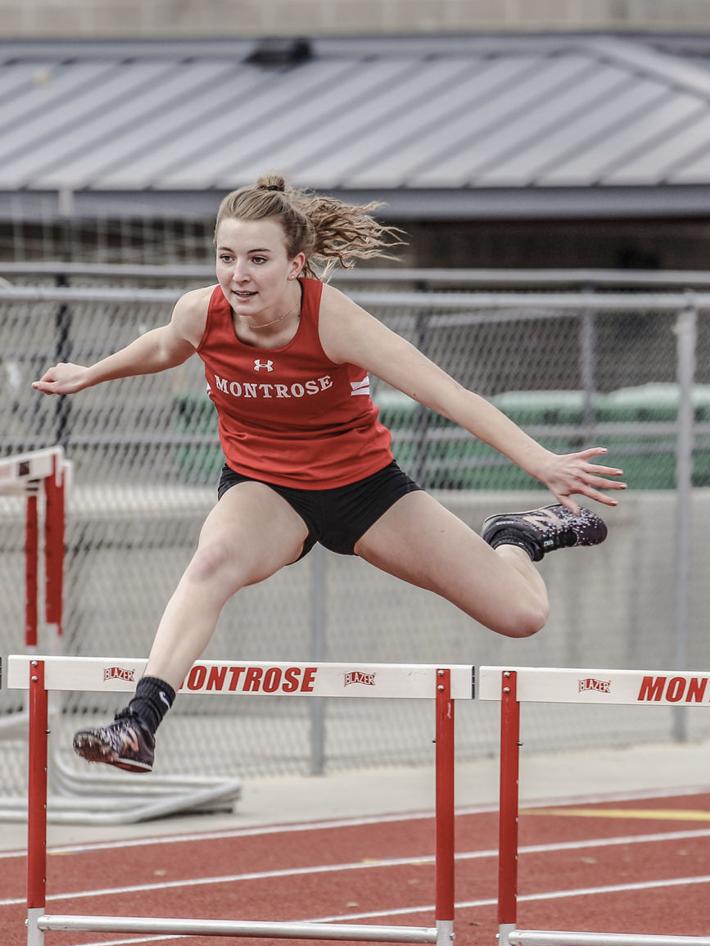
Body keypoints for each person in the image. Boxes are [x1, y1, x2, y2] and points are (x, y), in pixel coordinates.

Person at [32, 175, 624, 774]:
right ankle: (139, 723)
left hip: (366, 490)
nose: (238, 275)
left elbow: (448, 395)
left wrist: (540, 460)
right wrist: (90, 373)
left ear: (297, 264)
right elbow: (162, 347)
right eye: (226, 257)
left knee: (521, 615)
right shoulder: (201, 313)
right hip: (264, 490)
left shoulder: (334, 321)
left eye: (258, 259)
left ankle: (515, 537)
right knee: (210, 562)